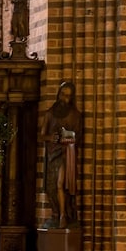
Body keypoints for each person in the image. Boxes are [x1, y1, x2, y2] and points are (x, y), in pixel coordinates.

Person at [41, 81, 82, 229]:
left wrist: (69, 137)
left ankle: (64, 214)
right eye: (63, 94)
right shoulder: (50, 113)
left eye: (68, 96)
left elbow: (78, 136)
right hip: (53, 155)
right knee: (52, 186)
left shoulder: (75, 115)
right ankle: (56, 213)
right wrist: (50, 137)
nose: (64, 98)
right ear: (58, 94)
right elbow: (42, 135)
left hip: (67, 153)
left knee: (62, 184)